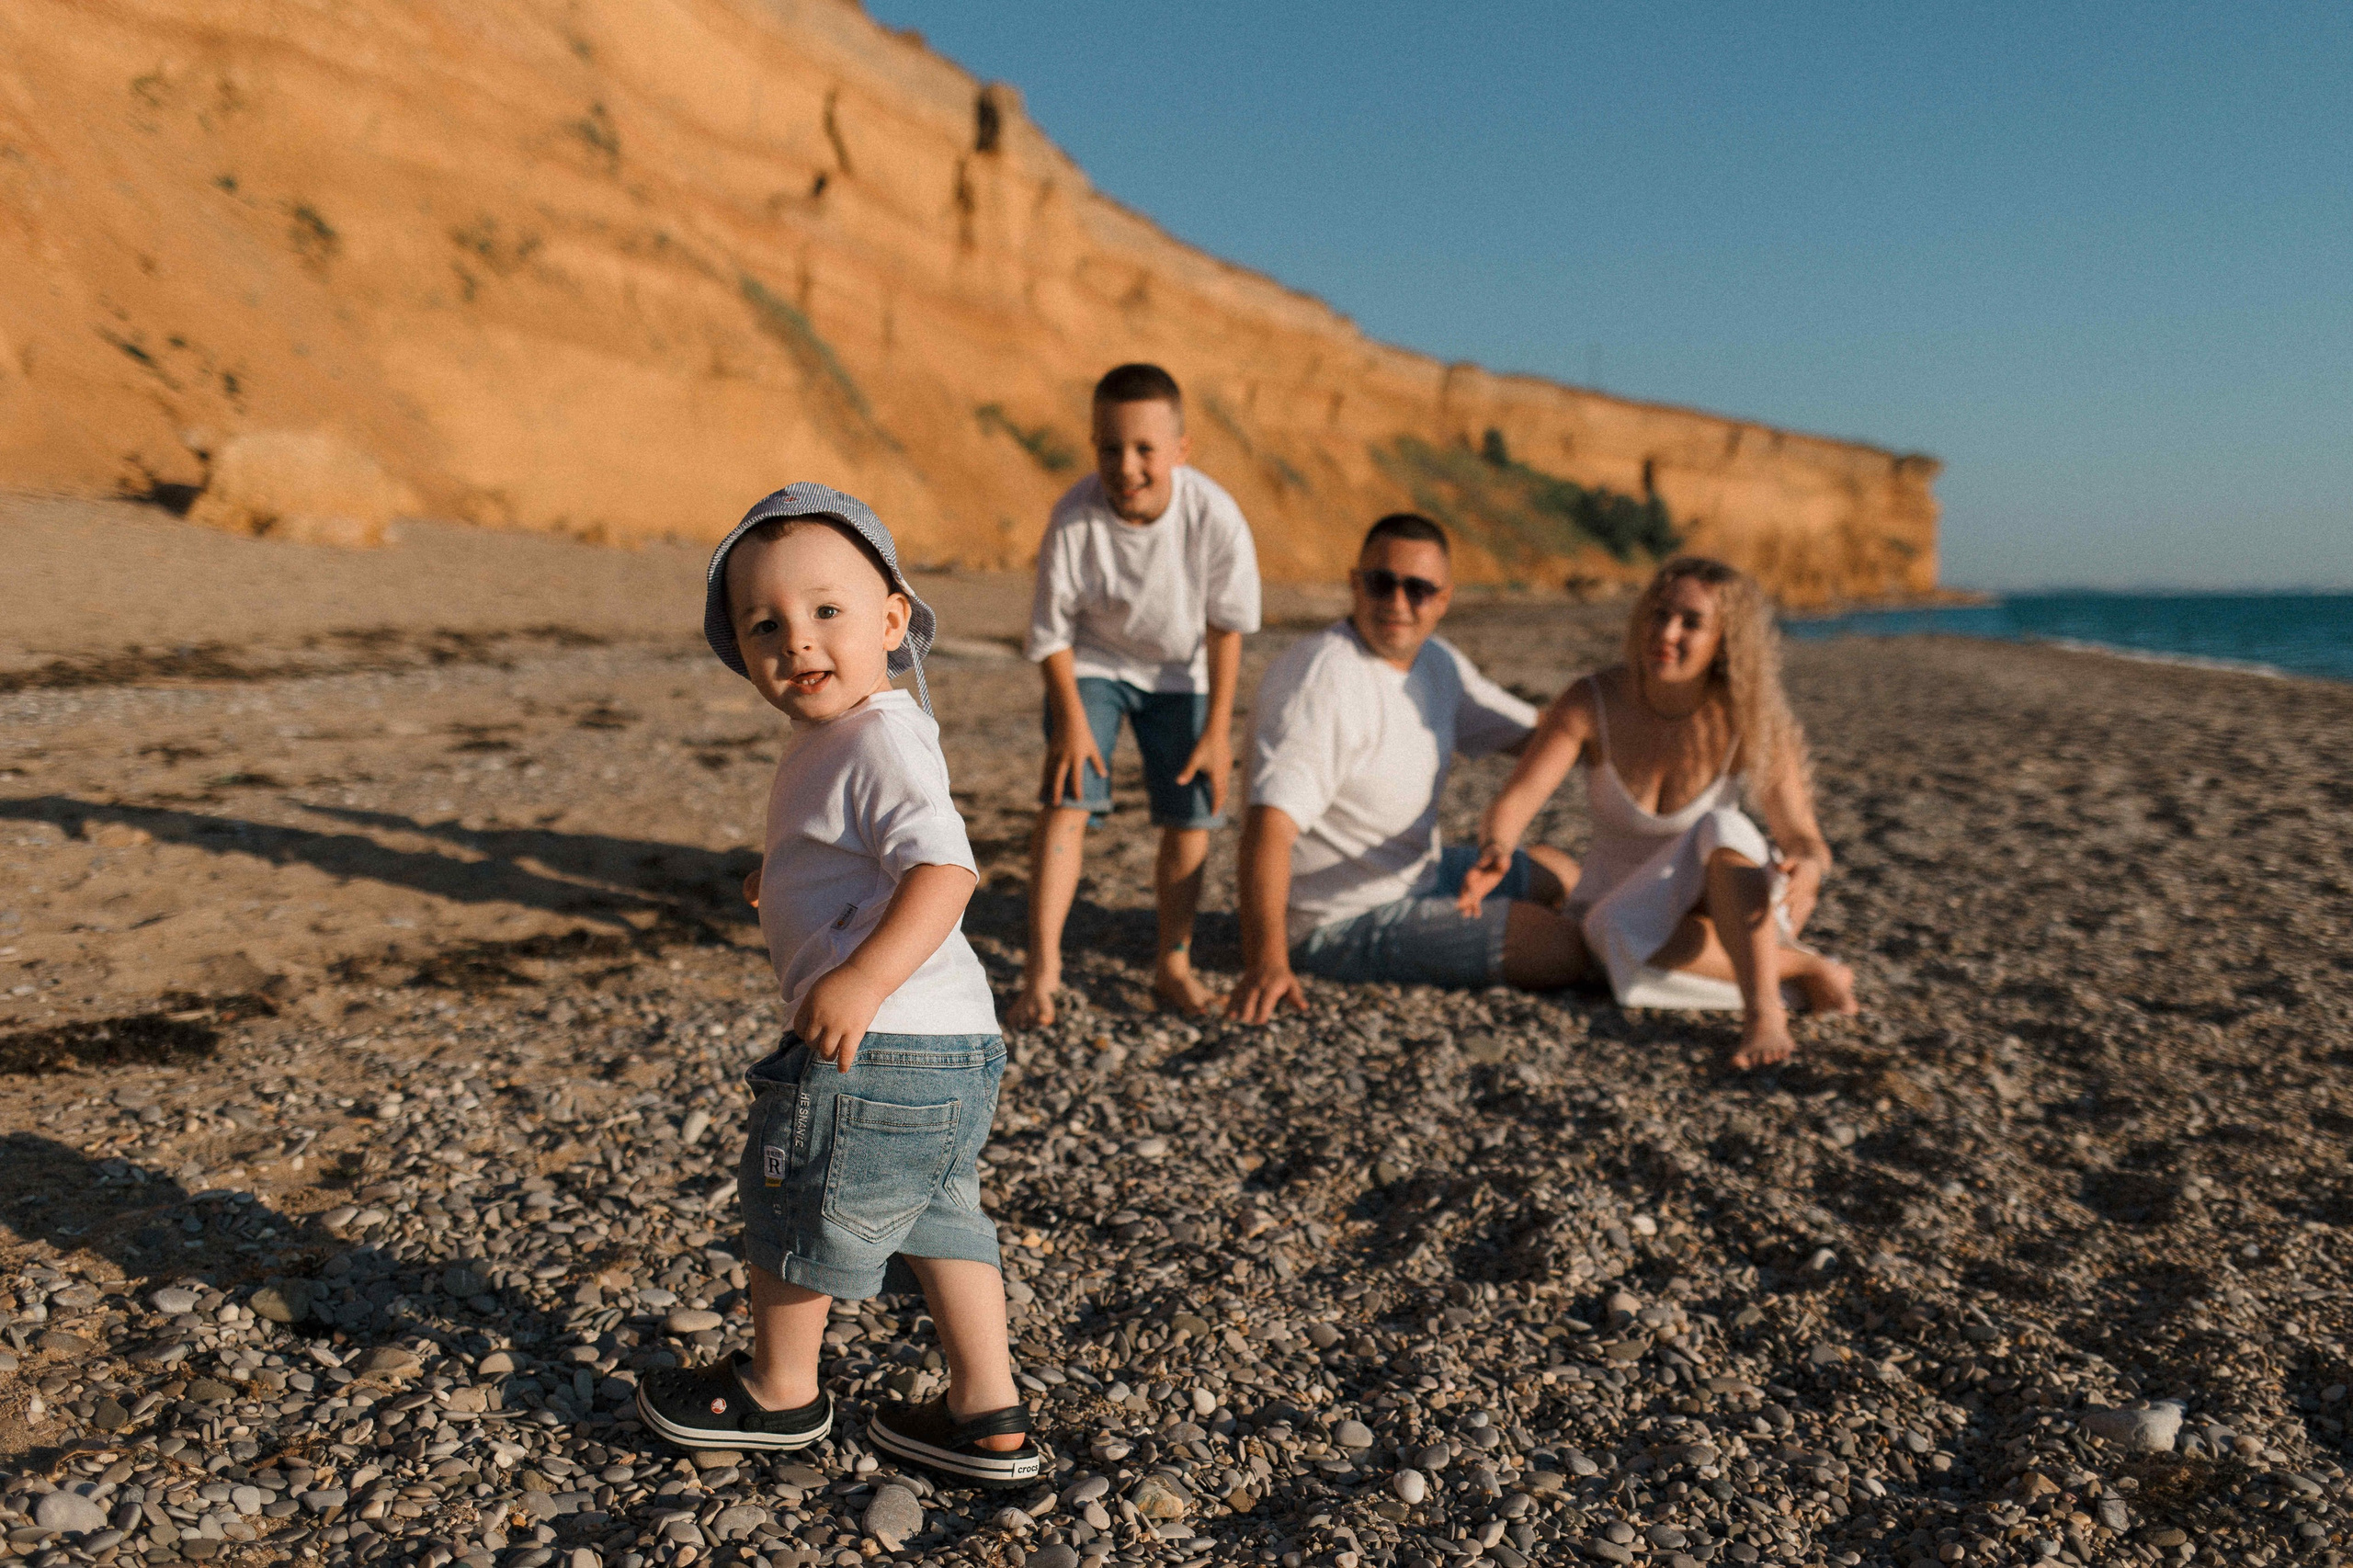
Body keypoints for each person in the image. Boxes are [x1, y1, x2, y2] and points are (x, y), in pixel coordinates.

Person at [634, 483, 1045, 1490]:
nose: (798, 641)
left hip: (881, 1042)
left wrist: (861, 977)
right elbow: (858, 852)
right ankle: (986, 1413)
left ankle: (781, 1389)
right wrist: (782, 880)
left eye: (827, 610)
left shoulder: (876, 737)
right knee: (941, 1216)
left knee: (794, 1197)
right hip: (950, 1048)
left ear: (893, 620)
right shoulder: (843, 737)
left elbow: (944, 870)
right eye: (764, 625)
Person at [1455, 555, 1858, 1069]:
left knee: (1723, 826)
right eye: (1659, 613)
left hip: (1719, 909)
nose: (1666, 633)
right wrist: (1496, 848)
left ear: (1725, 640)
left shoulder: (1748, 714)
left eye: (1691, 622)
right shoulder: (1593, 700)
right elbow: (1516, 800)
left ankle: (1764, 1013)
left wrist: (1811, 867)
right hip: (1615, 917)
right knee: (1612, 930)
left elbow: (1801, 834)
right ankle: (1801, 970)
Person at [1225, 514, 1585, 1024]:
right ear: (1355, 584)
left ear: (1443, 599)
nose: (1397, 603)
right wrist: (1267, 962)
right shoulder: (1321, 680)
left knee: (1563, 874)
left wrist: (1633, 717)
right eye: (1381, 583)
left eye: (1418, 589)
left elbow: (1538, 735)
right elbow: (1268, 827)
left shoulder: (1437, 662)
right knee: (1559, 947)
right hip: (1336, 919)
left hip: (1419, 873)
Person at [1012, 363, 1262, 1025]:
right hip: (1093, 664)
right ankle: (1042, 969)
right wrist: (1071, 723)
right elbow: (1050, 635)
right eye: (1110, 448)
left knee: (1193, 811)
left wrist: (1218, 733)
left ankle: (1173, 963)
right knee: (1066, 797)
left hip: (1184, 672)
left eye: (1145, 449)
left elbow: (1227, 627)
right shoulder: (1074, 517)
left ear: (1180, 450)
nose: (1126, 467)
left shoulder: (1214, 516)